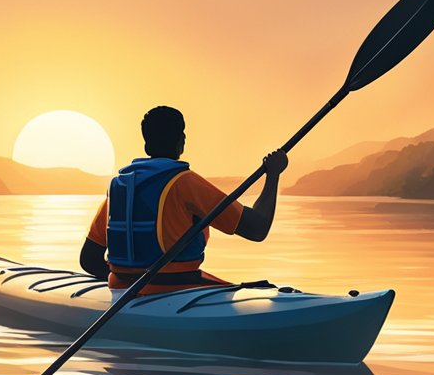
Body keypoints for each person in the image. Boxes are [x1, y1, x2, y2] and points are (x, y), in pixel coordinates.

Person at [80, 105, 288, 294]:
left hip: (121, 286)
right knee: (265, 289)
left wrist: (128, 280)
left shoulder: (121, 187)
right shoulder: (185, 183)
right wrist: (273, 174)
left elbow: (89, 260)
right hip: (176, 288)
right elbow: (257, 228)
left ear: (146, 144)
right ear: (181, 141)